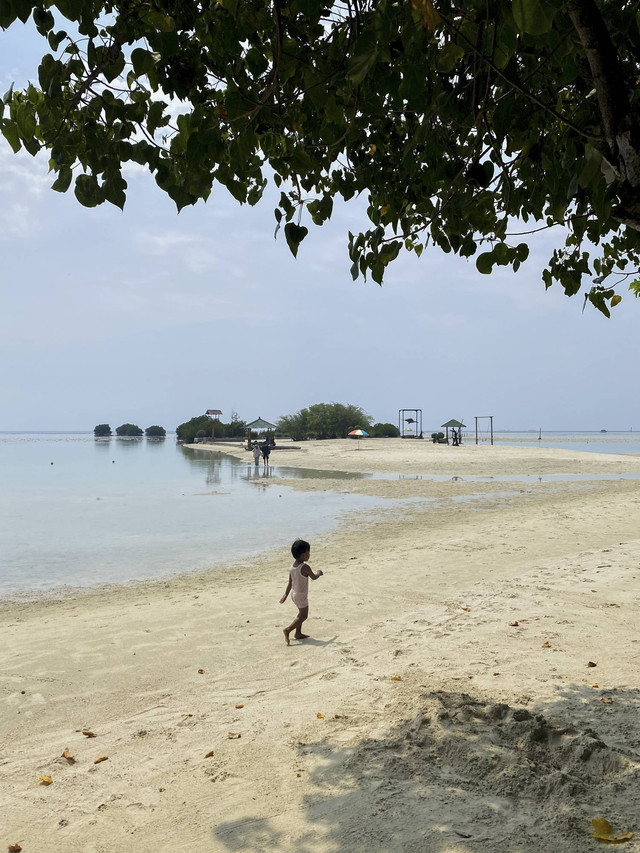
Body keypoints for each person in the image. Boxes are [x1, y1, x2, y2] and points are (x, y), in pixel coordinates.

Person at [280, 539, 323, 645]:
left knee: (300, 613)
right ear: (303, 555)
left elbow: (290, 582)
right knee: (304, 616)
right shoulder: (305, 567)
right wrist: (319, 573)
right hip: (301, 594)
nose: (309, 554)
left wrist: (285, 594)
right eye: (308, 552)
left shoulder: (293, 566)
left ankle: (298, 633)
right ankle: (288, 630)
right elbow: (313, 577)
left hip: (293, 593)